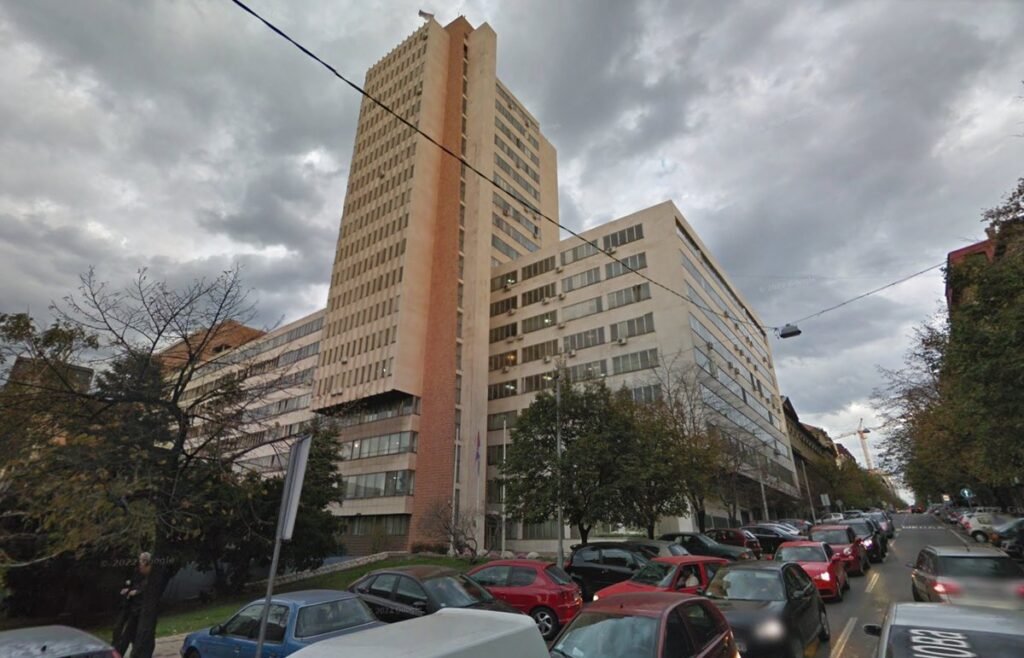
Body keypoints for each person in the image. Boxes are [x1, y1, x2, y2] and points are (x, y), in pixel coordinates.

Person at [113, 552, 152, 656]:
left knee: (130, 634)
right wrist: (129, 590)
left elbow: (143, 588)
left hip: (139, 610)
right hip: (134, 608)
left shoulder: (149, 577)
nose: (139, 564)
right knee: (129, 634)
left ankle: (124, 653)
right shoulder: (138, 573)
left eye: (141, 561)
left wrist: (136, 592)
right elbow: (135, 585)